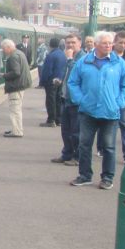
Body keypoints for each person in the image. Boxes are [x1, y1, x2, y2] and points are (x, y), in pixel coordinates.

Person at [67, 31, 125, 189]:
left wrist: (119, 103)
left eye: (110, 43)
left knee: (109, 147)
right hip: (88, 112)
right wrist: (80, 100)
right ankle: (84, 175)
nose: (109, 45)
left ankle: (107, 178)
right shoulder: (84, 62)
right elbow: (73, 82)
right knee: (84, 145)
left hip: (110, 112)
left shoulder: (119, 63)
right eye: (105, 43)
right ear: (96, 44)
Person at [51, 34, 84, 166]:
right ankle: (66, 154)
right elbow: (67, 74)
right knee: (65, 130)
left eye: (73, 42)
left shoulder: (83, 58)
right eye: (68, 43)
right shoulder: (68, 57)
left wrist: (69, 59)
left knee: (76, 131)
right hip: (65, 98)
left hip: (76, 100)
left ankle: (77, 157)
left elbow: (78, 72)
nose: (70, 45)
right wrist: (60, 80)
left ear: (79, 43)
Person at [0, 39, 32, 137]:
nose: (4, 51)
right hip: (20, 85)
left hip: (15, 86)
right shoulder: (20, 53)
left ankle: (17, 131)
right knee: (16, 109)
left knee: (15, 110)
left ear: (8, 47)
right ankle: (16, 128)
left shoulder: (13, 57)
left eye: (4, 49)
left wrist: (4, 75)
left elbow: (16, 72)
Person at [113, 30, 125, 161]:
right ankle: (105, 149)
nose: (123, 45)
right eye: (120, 42)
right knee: (109, 126)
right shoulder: (109, 57)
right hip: (111, 96)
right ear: (115, 43)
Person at [39, 37, 66, 127]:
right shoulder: (63, 54)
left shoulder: (51, 55)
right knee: (58, 100)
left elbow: (47, 70)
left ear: (50, 45)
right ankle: (59, 119)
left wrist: (42, 81)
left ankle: (51, 120)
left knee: (50, 101)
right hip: (60, 80)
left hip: (51, 81)